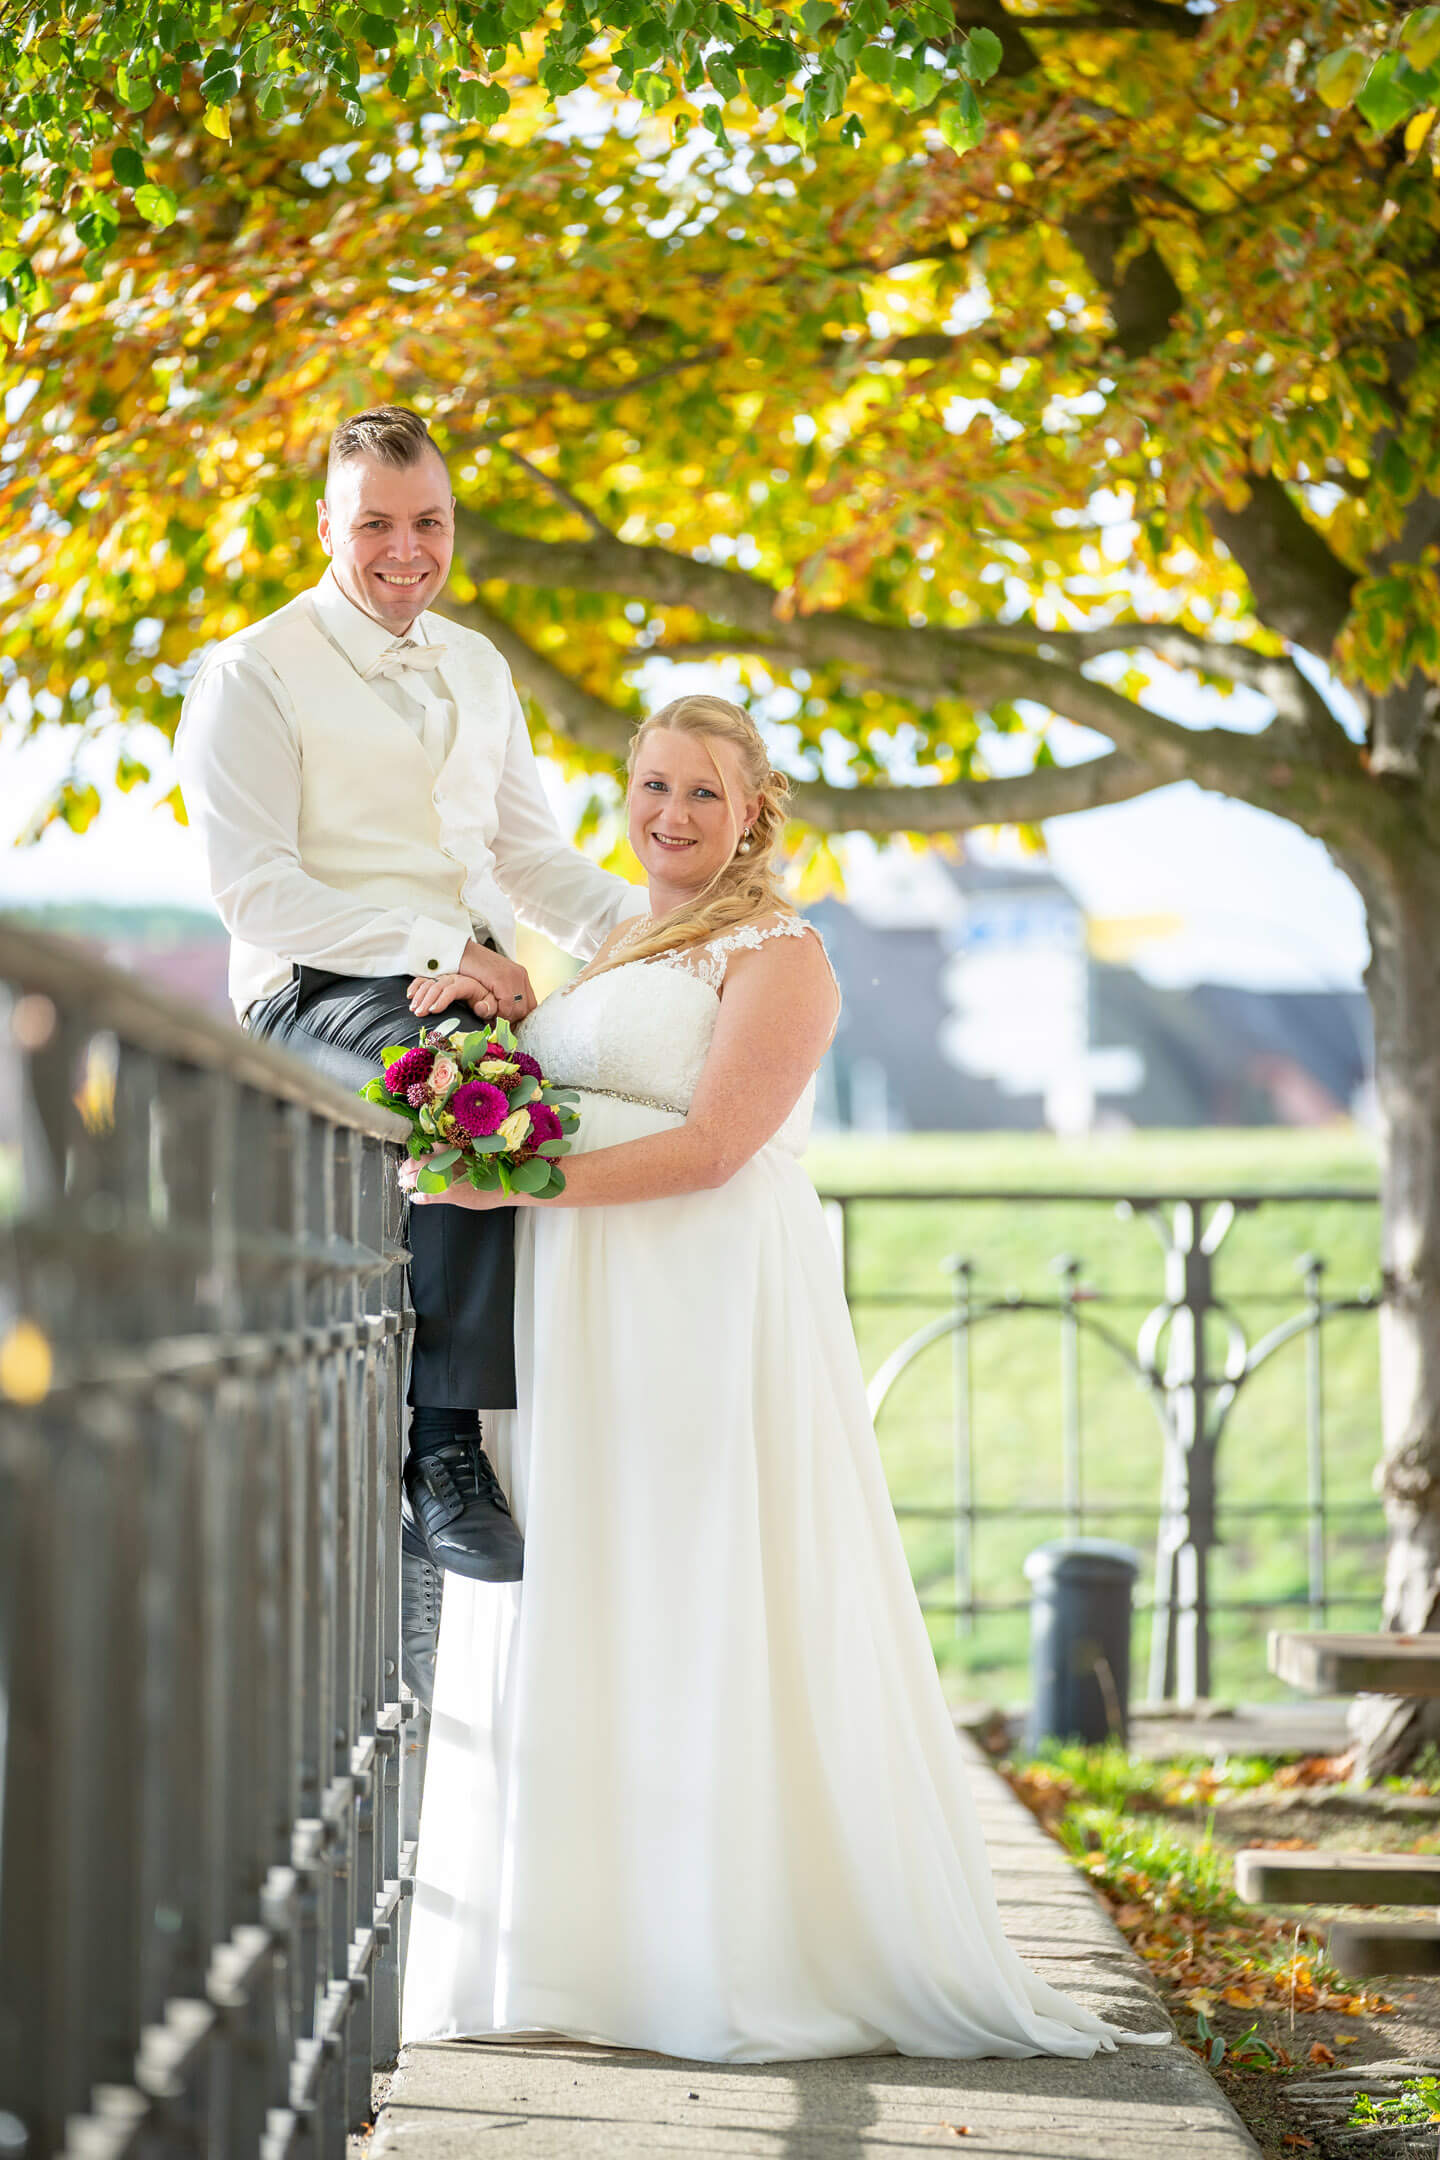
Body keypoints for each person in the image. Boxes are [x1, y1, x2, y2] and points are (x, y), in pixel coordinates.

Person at [398, 693, 1169, 2063]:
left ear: (754, 810)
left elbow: (714, 1148)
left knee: (698, 1588)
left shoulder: (783, 951)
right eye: (650, 786)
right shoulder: (619, 937)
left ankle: (715, 1945)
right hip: (581, 1302)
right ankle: (581, 1945)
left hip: (696, 1299)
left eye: (703, 791)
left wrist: (504, 1174)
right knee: (599, 1583)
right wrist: (487, 1021)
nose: (671, 814)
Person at [175, 405, 644, 1700]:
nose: (404, 549)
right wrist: (445, 947)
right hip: (319, 988)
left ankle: (610, 1444)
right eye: (375, 522)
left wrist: (662, 925)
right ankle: (443, 1443)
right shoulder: (251, 672)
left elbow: (530, 856)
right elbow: (257, 894)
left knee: (590, 1063)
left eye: (427, 521)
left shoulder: (481, 667)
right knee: (469, 1074)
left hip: (470, 988)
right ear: (325, 525)